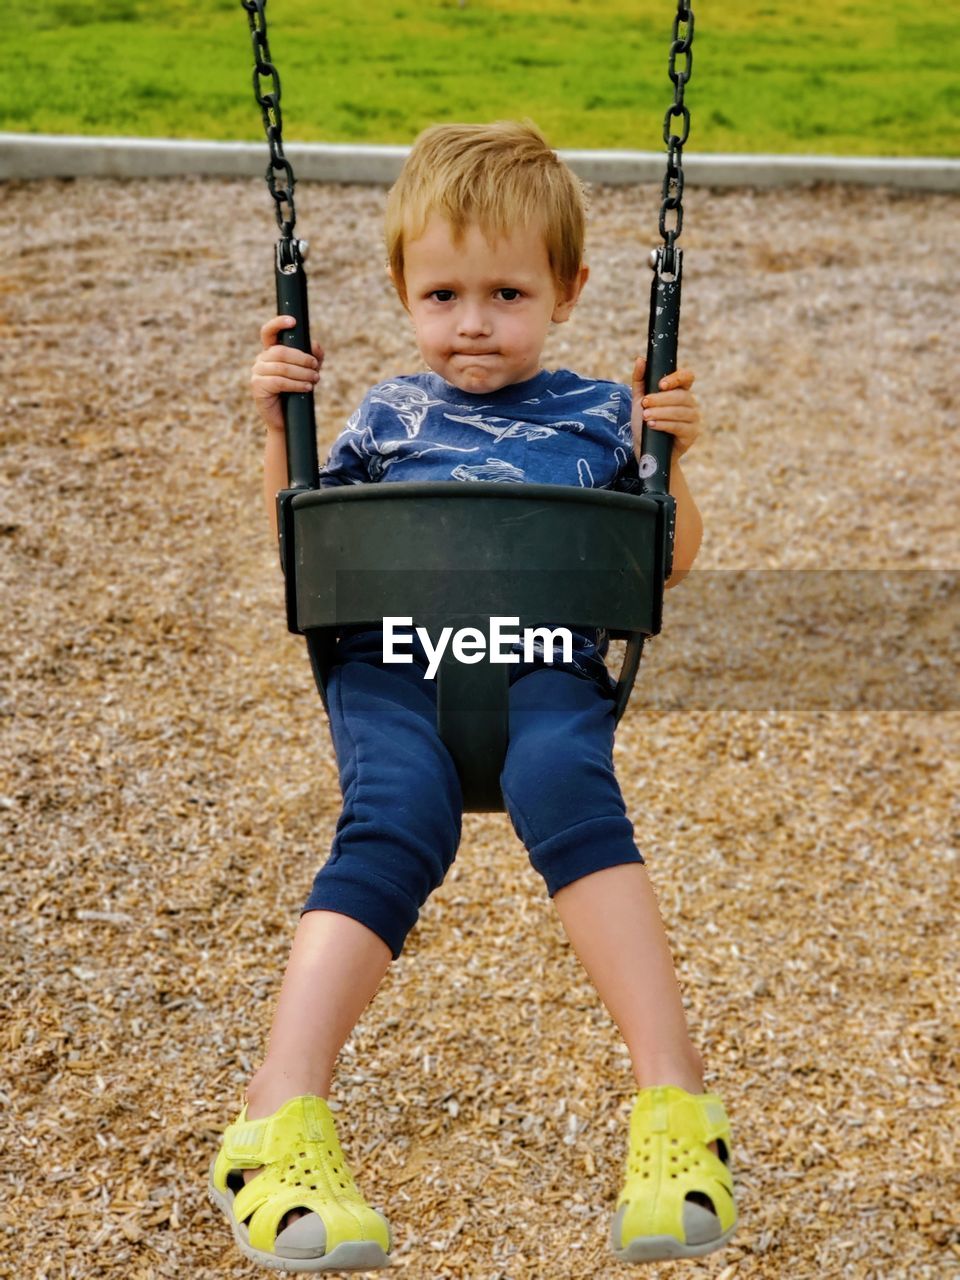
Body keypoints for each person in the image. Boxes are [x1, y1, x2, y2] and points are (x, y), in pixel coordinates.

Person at [209, 121, 737, 1272]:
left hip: (544, 658)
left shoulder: (601, 414)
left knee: (567, 781)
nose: (474, 321)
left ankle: (675, 1107)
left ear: (568, 290)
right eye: (443, 293)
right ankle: (275, 1116)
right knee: (396, 816)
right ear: (403, 291)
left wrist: (671, 462)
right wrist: (273, 433)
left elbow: (670, 561)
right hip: (394, 660)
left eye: (507, 291)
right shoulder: (387, 416)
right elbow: (311, 553)